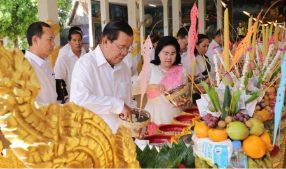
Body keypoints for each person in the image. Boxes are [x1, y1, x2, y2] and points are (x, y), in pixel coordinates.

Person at [70, 21, 135, 134]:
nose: (125, 53)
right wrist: (116, 105)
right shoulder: (86, 64)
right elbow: (78, 101)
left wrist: (133, 122)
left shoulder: (124, 67)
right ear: (105, 41)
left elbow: (128, 100)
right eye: (121, 47)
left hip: (122, 138)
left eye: (128, 48)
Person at [140, 36, 188, 125]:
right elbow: (140, 87)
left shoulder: (181, 70)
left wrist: (184, 101)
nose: (169, 57)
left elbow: (185, 91)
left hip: (175, 114)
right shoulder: (150, 67)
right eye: (166, 53)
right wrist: (154, 86)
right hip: (154, 113)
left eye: (173, 54)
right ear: (158, 53)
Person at [25, 21, 57, 104]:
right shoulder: (24, 67)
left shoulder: (46, 62)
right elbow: (30, 106)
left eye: (53, 39)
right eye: (50, 39)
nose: (53, 43)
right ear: (35, 40)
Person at [54, 27, 85, 103]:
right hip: (71, 99)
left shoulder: (85, 55)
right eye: (74, 40)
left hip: (86, 97)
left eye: (79, 40)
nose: (77, 43)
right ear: (69, 42)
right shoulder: (64, 58)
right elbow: (59, 80)